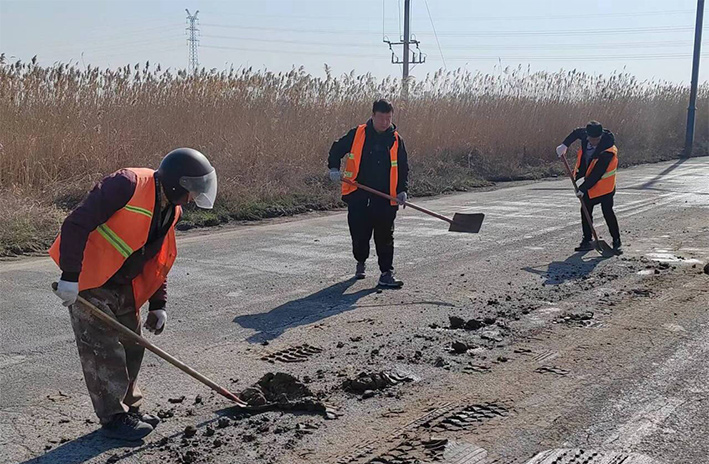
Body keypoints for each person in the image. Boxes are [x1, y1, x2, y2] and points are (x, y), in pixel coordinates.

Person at [50, 148, 217, 441]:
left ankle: (129, 409)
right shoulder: (126, 184)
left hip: (124, 283)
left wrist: (158, 304)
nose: (193, 198)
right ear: (178, 183)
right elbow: (76, 223)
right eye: (192, 191)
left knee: (133, 344)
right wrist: (70, 277)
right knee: (103, 349)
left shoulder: (171, 210)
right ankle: (114, 418)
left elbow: (158, 258)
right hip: (90, 278)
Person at [328, 99, 410, 287]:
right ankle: (361, 261)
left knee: (385, 237)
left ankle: (386, 273)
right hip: (359, 195)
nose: (385, 123)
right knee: (359, 235)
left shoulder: (396, 140)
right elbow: (337, 149)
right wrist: (333, 168)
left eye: (388, 118)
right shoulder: (358, 133)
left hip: (385, 198)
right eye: (381, 118)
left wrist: (402, 190)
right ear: (373, 116)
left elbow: (404, 168)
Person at [556, 121, 621, 254]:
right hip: (590, 183)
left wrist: (583, 188)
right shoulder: (585, 135)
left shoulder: (607, 149)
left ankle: (617, 241)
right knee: (585, 209)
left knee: (607, 211)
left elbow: (597, 172)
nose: (594, 142)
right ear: (588, 136)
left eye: (597, 139)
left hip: (605, 187)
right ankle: (587, 240)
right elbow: (575, 133)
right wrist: (564, 145)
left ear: (601, 136)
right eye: (591, 139)